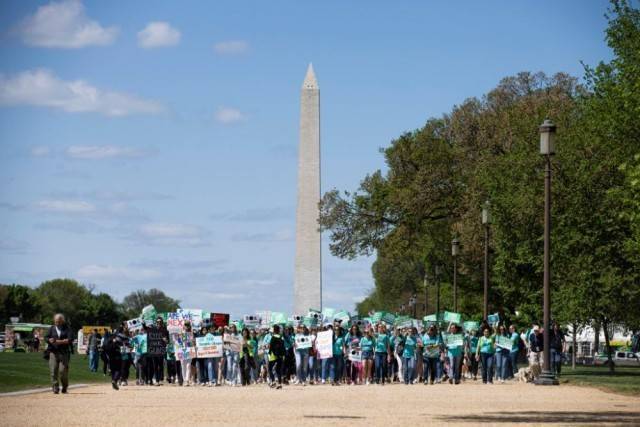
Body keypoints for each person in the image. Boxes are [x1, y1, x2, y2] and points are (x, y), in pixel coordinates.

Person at [45, 313, 72, 394]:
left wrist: (59, 341)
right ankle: (55, 387)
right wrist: (49, 340)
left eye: (59, 321)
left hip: (64, 353)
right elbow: (46, 337)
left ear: (62, 321)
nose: (57, 323)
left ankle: (64, 386)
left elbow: (70, 339)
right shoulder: (51, 328)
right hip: (53, 352)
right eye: (56, 321)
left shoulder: (67, 328)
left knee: (63, 371)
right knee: (53, 371)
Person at [268, 325, 285, 389]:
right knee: (278, 370)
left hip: (273, 355)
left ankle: (273, 381)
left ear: (274, 330)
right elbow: (283, 347)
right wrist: (283, 355)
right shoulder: (281, 337)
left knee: (270, 369)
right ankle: (279, 383)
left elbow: (271, 347)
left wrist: (270, 352)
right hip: (280, 355)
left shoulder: (273, 337)